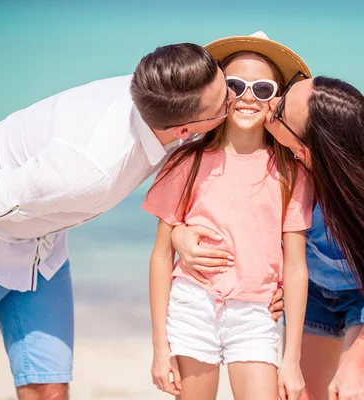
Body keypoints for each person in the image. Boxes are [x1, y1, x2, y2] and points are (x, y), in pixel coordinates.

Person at [0, 42, 242, 400]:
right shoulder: (88, 166)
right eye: (225, 100)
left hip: (41, 249)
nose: (234, 97)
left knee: (48, 390)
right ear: (184, 129)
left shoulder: (169, 89)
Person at [172, 34, 364, 400]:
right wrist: (180, 235)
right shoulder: (271, 154)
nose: (272, 106)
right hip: (315, 292)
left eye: (281, 110)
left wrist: (355, 362)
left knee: (350, 391)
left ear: (304, 150)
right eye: (289, 90)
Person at [143, 33, 314, 400]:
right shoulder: (184, 163)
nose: (249, 96)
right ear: (221, 91)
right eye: (236, 85)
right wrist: (160, 348)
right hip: (192, 305)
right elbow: (161, 255)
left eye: (263, 88)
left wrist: (292, 358)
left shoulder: (292, 173)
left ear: (276, 99)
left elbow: (296, 267)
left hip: (257, 313)